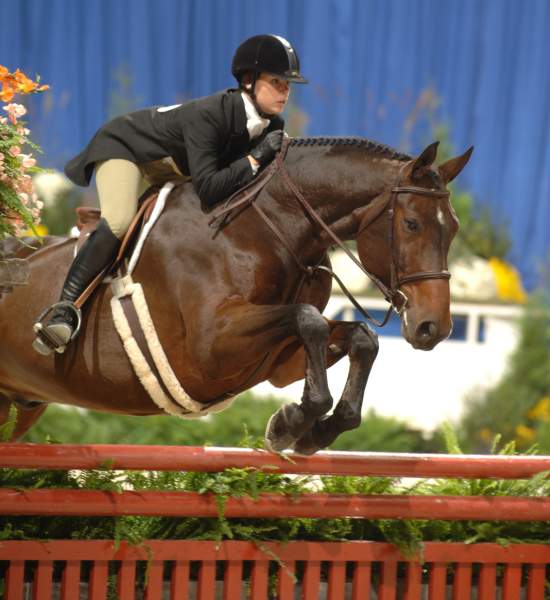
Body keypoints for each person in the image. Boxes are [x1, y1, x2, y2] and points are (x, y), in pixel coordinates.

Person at [32, 34, 308, 356]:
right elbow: (209, 189)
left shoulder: (273, 124)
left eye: (288, 85)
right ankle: (65, 308)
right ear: (248, 81)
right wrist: (254, 158)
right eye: (276, 82)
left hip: (173, 165)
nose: (285, 91)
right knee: (120, 220)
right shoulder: (212, 115)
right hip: (127, 148)